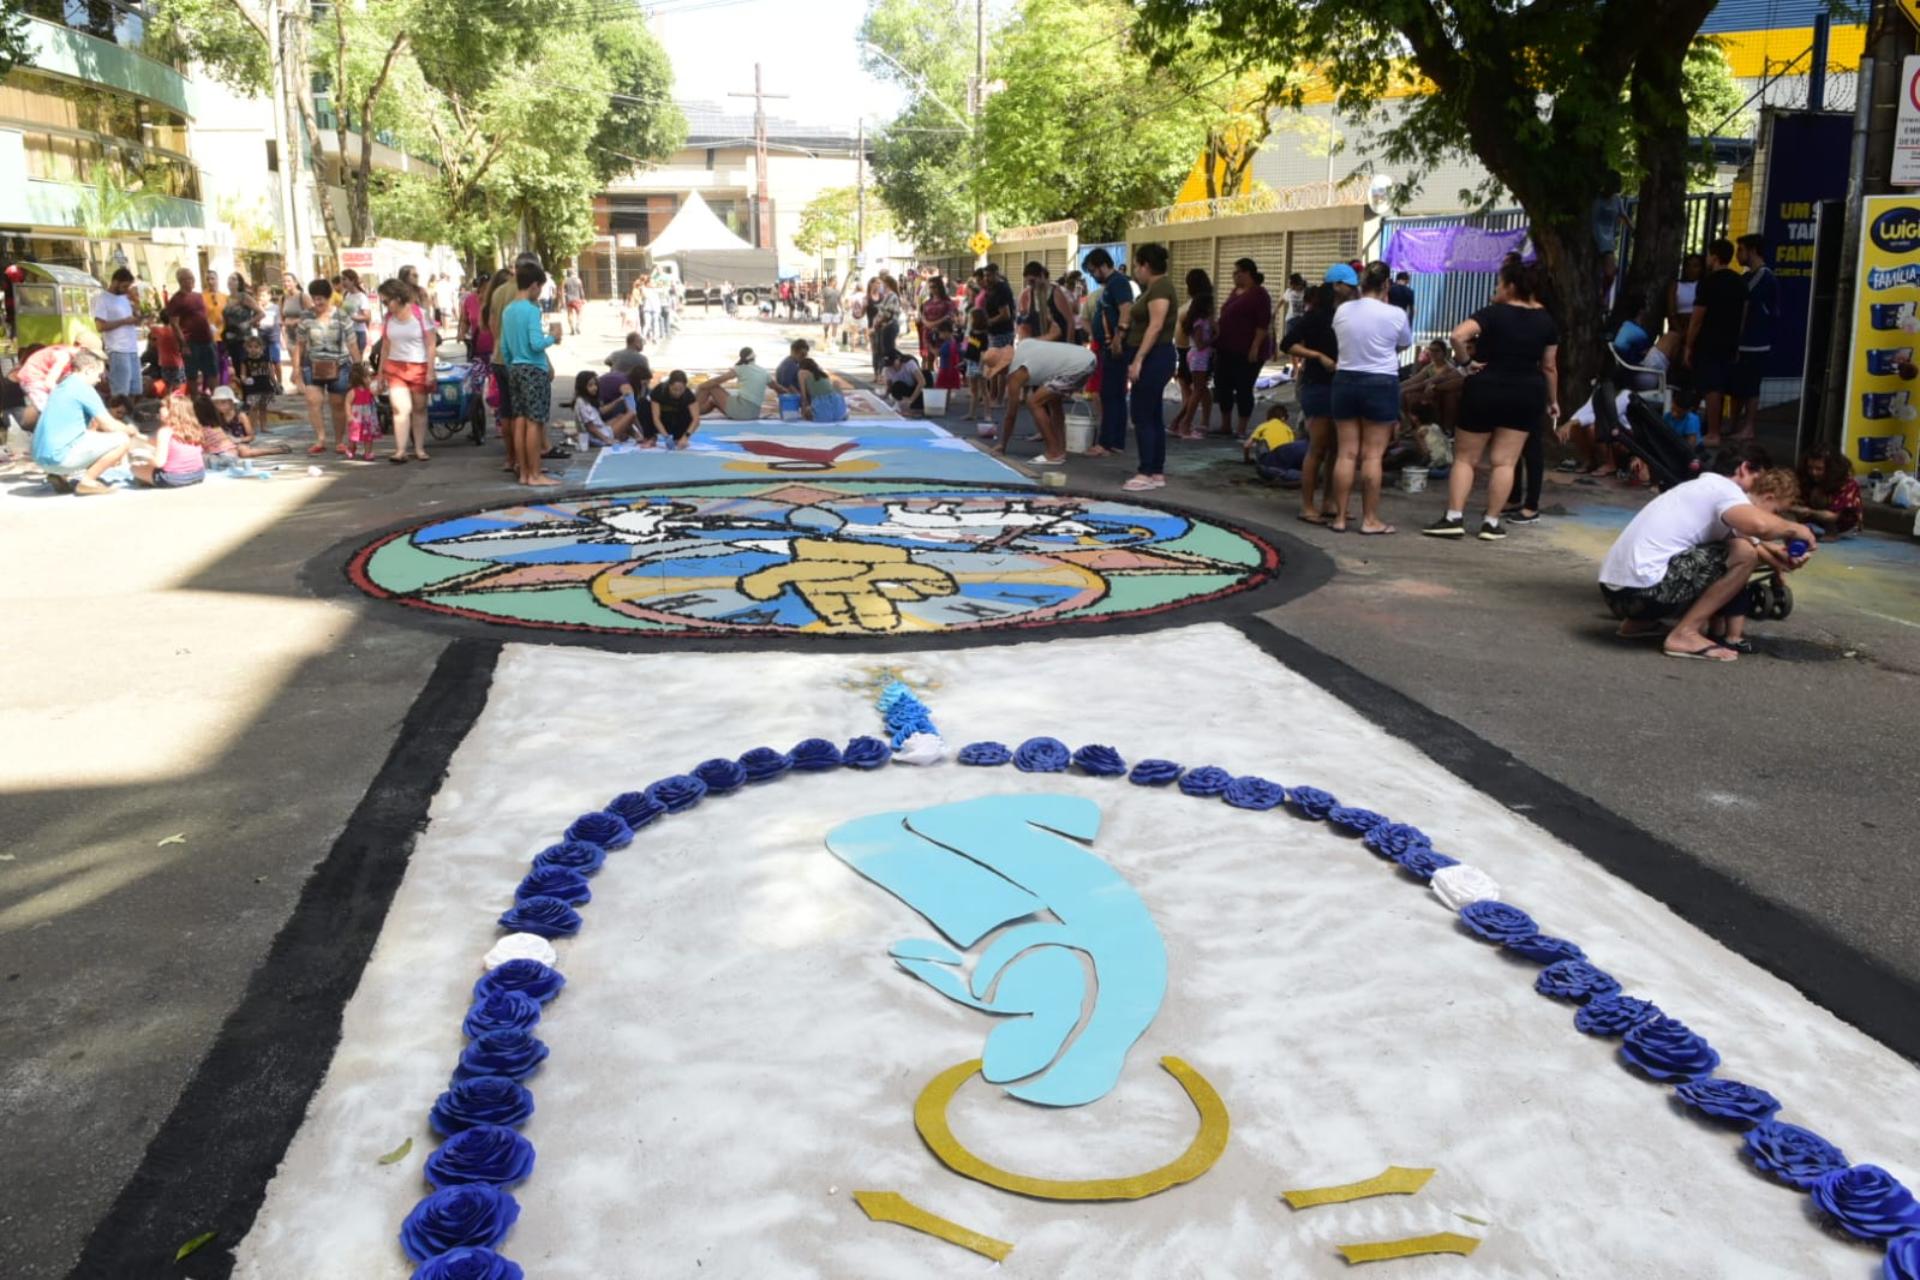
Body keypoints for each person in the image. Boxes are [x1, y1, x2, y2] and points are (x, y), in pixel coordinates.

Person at [1598, 445, 1815, 661]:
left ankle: (1639, 623)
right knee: (1744, 553)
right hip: (1645, 592)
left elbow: (1754, 540)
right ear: (1744, 469)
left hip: (1617, 594)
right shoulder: (1726, 491)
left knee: (1740, 548)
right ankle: (1685, 634)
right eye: (1760, 477)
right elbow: (1758, 528)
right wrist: (1797, 529)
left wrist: (1782, 557)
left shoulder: (1698, 487)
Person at [1424, 259, 1559, 540]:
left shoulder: (1493, 313)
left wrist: (1466, 363)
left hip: (1485, 388)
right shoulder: (1547, 320)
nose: (1496, 288)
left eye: (1499, 283)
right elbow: (1549, 366)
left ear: (1511, 286)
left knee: (1465, 458)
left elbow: (1457, 336)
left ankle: (1454, 518)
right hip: (1526, 392)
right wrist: (1553, 400)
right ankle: (1491, 522)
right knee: (1505, 462)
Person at [1328, 261, 1412, 535]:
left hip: (1345, 380)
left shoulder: (1342, 310)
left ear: (1361, 283)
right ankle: (1370, 519)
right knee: (1372, 456)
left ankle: (1339, 517)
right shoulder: (1396, 314)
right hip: (1380, 381)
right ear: (1386, 284)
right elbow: (1403, 343)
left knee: (1346, 453)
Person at [30, 350, 141, 494]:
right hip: (59, 458)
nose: (100, 379)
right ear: (88, 370)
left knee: (86, 435)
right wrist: (129, 429)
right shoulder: (84, 389)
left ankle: (59, 475)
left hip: (40, 458)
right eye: (99, 375)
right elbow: (109, 425)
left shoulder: (62, 386)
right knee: (122, 440)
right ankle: (88, 481)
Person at [1283, 277, 1346, 524]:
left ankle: (1329, 501)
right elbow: (1287, 344)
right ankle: (1308, 505)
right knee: (1319, 447)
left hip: (1338, 385)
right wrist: (1317, 355)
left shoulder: (1346, 320)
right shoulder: (1316, 318)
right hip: (1319, 385)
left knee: (1336, 448)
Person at [1119, 243, 1178, 492]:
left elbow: (1155, 326)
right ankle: (1154, 469)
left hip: (1155, 355)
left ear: (1145, 265)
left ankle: (1147, 470)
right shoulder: (1151, 288)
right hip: (1150, 355)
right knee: (1151, 413)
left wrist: (1139, 359)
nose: (1135, 270)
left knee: (1143, 413)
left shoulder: (1161, 287)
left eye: (1137, 265)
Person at [984, 337, 1095, 467]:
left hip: (1075, 367)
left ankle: (1053, 453)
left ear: (1002, 368)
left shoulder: (1015, 373)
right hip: (1087, 358)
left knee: (1034, 403)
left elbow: (1011, 415)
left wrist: (1003, 444)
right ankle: (1060, 449)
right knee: (1054, 402)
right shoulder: (1024, 344)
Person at [500, 259, 563, 486]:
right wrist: (553, 338)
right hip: (533, 369)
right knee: (535, 422)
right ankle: (535, 473)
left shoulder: (508, 310)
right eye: (540, 288)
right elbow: (536, 343)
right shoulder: (531, 310)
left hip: (515, 367)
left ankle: (524, 472)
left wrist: (512, 365)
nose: (540, 293)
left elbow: (504, 346)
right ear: (534, 285)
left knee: (520, 420)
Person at [292, 277, 363, 456]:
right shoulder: (306, 316)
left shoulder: (341, 316)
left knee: (338, 403)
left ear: (329, 297)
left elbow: (352, 343)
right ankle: (320, 438)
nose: (317, 302)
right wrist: (296, 369)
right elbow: (299, 344)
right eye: (314, 298)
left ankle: (339, 440)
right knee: (313, 401)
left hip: (339, 365)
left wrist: (359, 367)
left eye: (320, 298)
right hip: (313, 364)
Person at [371, 277, 438, 464]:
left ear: (398, 298)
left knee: (419, 408)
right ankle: (400, 450)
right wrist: (381, 372)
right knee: (400, 408)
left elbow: (431, 343)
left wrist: (430, 370)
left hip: (419, 365)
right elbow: (385, 345)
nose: (385, 305)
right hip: (395, 366)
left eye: (386, 301)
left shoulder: (420, 315)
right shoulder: (388, 319)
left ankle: (419, 448)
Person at [1685, 238, 1744, 445]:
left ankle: (1713, 432)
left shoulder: (1708, 283)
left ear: (1715, 257)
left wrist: (1688, 345)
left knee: (1711, 387)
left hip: (1709, 340)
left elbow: (1697, 318)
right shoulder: (1739, 282)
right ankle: (1712, 428)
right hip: (1729, 339)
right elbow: (1743, 315)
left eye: (1709, 255)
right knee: (1718, 385)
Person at [1213, 257, 1274, 439]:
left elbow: (1262, 324)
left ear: (1247, 273)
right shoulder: (1235, 292)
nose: (1234, 276)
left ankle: (1241, 427)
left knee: (1243, 387)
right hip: (1226, 347)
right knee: (1223, 385)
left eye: (1237, 272)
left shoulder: (1259, 294)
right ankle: (1225, 424)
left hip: (1246, 350)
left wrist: (1255, 347)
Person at [1725, 234, 1777, 444]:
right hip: (1744, 341)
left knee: (1751, 386)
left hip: (1756, 341)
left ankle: (1748, 427)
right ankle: (1734, 422)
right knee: (1737, 385)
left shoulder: (1763, 276)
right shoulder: (1746, 276)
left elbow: (1744, 304)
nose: (1738, 255)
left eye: (1741, 250)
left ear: (1753, 250)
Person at [1084, 248, 1134, 455]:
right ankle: (1113, 442)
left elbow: (1126, 309)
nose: (1093, 276)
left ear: (1103, 265)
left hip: (1114, 346)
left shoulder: (1118, 283)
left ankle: (1108, 443)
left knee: (1110, 394)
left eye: (1093, 271)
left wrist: (1118, 337)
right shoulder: (1110, 286)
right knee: (1111, 394)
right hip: (1107, 345)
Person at [491, 254, 537, 472]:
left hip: (500, 356)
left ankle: (511, 458)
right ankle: (527, 466)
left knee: (508, 412)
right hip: (524, 360)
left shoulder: (499, 291)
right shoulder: (526, 298)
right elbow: (533, 338)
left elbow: (492, 324)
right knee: (528, 417)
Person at [129, 390, 206, 489]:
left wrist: (143, 456)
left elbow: (159, 462)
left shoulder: (165, 431)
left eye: (163, 406)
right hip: (198, 474)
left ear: (172, 411)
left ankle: (146, 481)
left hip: (173, 478)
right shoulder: (193, 429)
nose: (160, 410)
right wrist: (137, 435)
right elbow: (162, 443)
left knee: (134, 468)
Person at [1172, 271, 1216, 440]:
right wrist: (1214, 337)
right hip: (1194, 353)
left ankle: (1184, 422)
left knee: (1198, 389)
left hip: (1193, 353)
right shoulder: (1198, 318)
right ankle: (1183, 423)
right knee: (1196, 390)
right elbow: (1200, 341)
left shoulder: (1200, 312)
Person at [91, 268, 144, 400]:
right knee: (121, 390)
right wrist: (124, 321)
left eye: (128, 286)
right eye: (124, 286)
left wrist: (137, 306)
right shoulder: (103, 299)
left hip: (131, 347)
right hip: (117, 349)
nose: (127, 289)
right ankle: (120, 415)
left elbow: (136, 320)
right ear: (115, 282)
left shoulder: (125, 298)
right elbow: (100, 326)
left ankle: (130, 414)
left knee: (135, 388)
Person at [163, 268, 218, 392]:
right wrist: (183, 344)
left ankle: (215, 397)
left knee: (212, 371)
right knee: (192, 374)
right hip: (191, 343)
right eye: (189, 278)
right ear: (181, 281)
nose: (192, 281)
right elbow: (174, 324)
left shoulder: (198, 296)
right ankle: (195, 400)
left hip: (207, 340)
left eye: (193, 278)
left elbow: (203, 316)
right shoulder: (176, 300)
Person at [1788, 447, 1864, 537]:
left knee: (1818, 494)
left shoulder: (1848, 484)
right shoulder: (1806, 478)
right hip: (1817, 520)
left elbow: (1833, 516)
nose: (1813, 472)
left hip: (1844, 525)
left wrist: (1809, 512)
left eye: (1819, 469)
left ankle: (1830, 534)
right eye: (1810, 468)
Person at [693, 347, 774, 422]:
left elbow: (717, 381)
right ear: (754, 358)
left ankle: (691, 412)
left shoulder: (741, 368)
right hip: (754, 413)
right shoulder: (764, 372)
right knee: (713, 401)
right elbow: (779, 388)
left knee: (709, 386)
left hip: (742, 411)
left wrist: (700, 387)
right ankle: (692, 411)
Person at [568, 369, 636, 447]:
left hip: (601, 429)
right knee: (631, 414)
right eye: (590, 385)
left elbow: (601, 411)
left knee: (620, 416)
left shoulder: (587, 398)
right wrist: (606, 440)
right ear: (582, 387)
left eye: (595, 385)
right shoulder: (581, 402)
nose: (594, 388)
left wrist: (618, 400)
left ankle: (631, 435)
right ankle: (636, 436)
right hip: (599, 436)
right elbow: (591, 428)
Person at [1593, 169, 1628, 300]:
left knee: (1610, 272)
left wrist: (1632, 228)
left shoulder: (1617, 200)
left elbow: (1623, 215)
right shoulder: (1596, 199)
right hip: (1595, 235)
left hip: (1607, 239)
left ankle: (1603, 294)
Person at [650, 370, 701, 447]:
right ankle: (650, 437)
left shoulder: (688, 395)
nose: (677, 393)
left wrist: (686, 436)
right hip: (662, 421)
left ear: (685, 386)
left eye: (681, 390)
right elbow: (656, 418)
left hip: (677, 422)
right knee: (643, 404)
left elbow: (696, 419)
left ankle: (678, 437)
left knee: (688, 412)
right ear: (669, 385)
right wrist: (666, 437)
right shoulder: (659, 391)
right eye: (674, 389)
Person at [343, 363, 381, 461]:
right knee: (353, 436)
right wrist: (349, 415)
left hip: (368, 418)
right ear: (361, 379)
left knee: (368, 436)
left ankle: (368, 452)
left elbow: (377, 392)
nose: (370, 379)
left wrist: (382, 387)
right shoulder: (352, 392)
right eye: (368, 377)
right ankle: (351, 448)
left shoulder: (369, 390)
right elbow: (347, 403)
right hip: (357, 418)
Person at [919, 276, 956, 371]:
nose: (933, 289)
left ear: (940, 287)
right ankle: (931, 380)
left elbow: (950, 317)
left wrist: (934, 324)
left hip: (942, 334)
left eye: (935, 286)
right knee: (928, 359)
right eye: (930, 287)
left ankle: (944, 380)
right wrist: (928, 324)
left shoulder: (947, 302)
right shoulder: (926, 303)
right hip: (927, 334)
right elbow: (922, 317)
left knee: (945, 359)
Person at [1668, 253, 1705, 336]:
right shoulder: (1676, 285)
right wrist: (1681, 332)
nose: (1691, 269)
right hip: (1679, 328)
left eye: (1695, 266)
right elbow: (1671, 312)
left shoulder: (1704, 286)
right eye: (1688, 266)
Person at [883, 348, 926, 415]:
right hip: (903, 391)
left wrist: (911, 399)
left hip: (915, 390)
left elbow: (922, 382)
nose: (891, 366)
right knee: (897, 386)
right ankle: (903, 404)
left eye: (892, 363)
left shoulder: (909, 364)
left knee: (927, 375)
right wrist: (885, 395)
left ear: (898, 358)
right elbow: (890, 386)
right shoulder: (887, 369)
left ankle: (910, 405)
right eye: (889, 364)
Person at [821, 276, 844, 349]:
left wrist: (842, 309)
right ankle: (826, 333)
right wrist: (821, 304)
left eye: (837, 281)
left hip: (835, 311)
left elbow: (839, 300)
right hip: (827, 311)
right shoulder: (825, 289)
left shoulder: (837, 291)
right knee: (827, 325)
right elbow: (821, 298)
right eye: (835, 281)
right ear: (831, 281)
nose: (836, 282)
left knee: (835, 326)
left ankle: (833, 341)